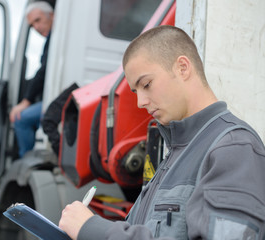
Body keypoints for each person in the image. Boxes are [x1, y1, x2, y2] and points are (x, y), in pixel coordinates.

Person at [58, 25, 265, 239]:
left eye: (146, 84)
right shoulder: (178, 152)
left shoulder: (233, 148)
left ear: (183, 68)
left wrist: (94, 230)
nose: (140, 102)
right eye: (136, 91)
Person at [9, 1, 54, 158]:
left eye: (38, 20)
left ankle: (25, 160)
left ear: (52, 15)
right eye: (32, 25)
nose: (36, 27)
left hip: (57, 100)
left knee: (20, 118)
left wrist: (25, 102)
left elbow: (42, 72)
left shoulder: (56, 40)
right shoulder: (52, 40)